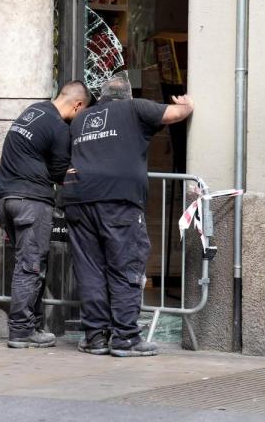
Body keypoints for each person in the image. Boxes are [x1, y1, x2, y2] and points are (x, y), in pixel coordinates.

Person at [63, 74, 194, 357]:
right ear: (128, 95)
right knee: (125, 265)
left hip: (78, 198)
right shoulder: (135, 108)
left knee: (90, 269)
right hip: (118, 200)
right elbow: (174, 114)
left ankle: (95, 337)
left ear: (101, 96)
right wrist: (187, 104)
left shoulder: (81, 118)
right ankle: (125, 337)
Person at [0, 81, 89, 349]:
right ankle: (21, 330)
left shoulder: (34, 111)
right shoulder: (58, 127)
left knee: (27, 263)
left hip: (5, 200)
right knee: (30, 266)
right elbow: (60, 173)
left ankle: (32, 325)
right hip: (31, 202)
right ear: (77, 105)